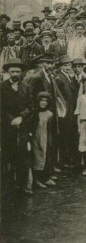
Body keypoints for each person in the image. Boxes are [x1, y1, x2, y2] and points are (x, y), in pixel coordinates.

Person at [1, 59, 34, 195]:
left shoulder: (26, 87)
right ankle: (6, 187)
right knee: (6, 156)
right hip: (6, 127)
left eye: (18, 71)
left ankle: (23, 185)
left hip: (23, 126)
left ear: (21, 73)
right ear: (8, 72)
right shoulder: (2, 87)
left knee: (23, 156)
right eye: (12, 71)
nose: (15, 74)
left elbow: (32, 106)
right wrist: (11, 120)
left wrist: (21, 117)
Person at [55, 55, 78, 169]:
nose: (68, 67)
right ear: (60, 67)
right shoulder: (59, 78)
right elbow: (59, 97)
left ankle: (69, 159)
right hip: (65, 110)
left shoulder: (69, 77)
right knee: (65, 135)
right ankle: (64, 161)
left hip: (72, 109)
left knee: (71, 134)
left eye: (69, 65)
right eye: (65, 65)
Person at [31, 91, 55, 188]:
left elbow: (50, 129)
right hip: (35, 138)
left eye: (46, 101)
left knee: (45, 157)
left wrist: (49, 139)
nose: (43, 103)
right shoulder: (34, 112)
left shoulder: (49, 114)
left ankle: (45, 178)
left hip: (44, 138)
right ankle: (36, 180)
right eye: (41, 100)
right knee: (36, 158)